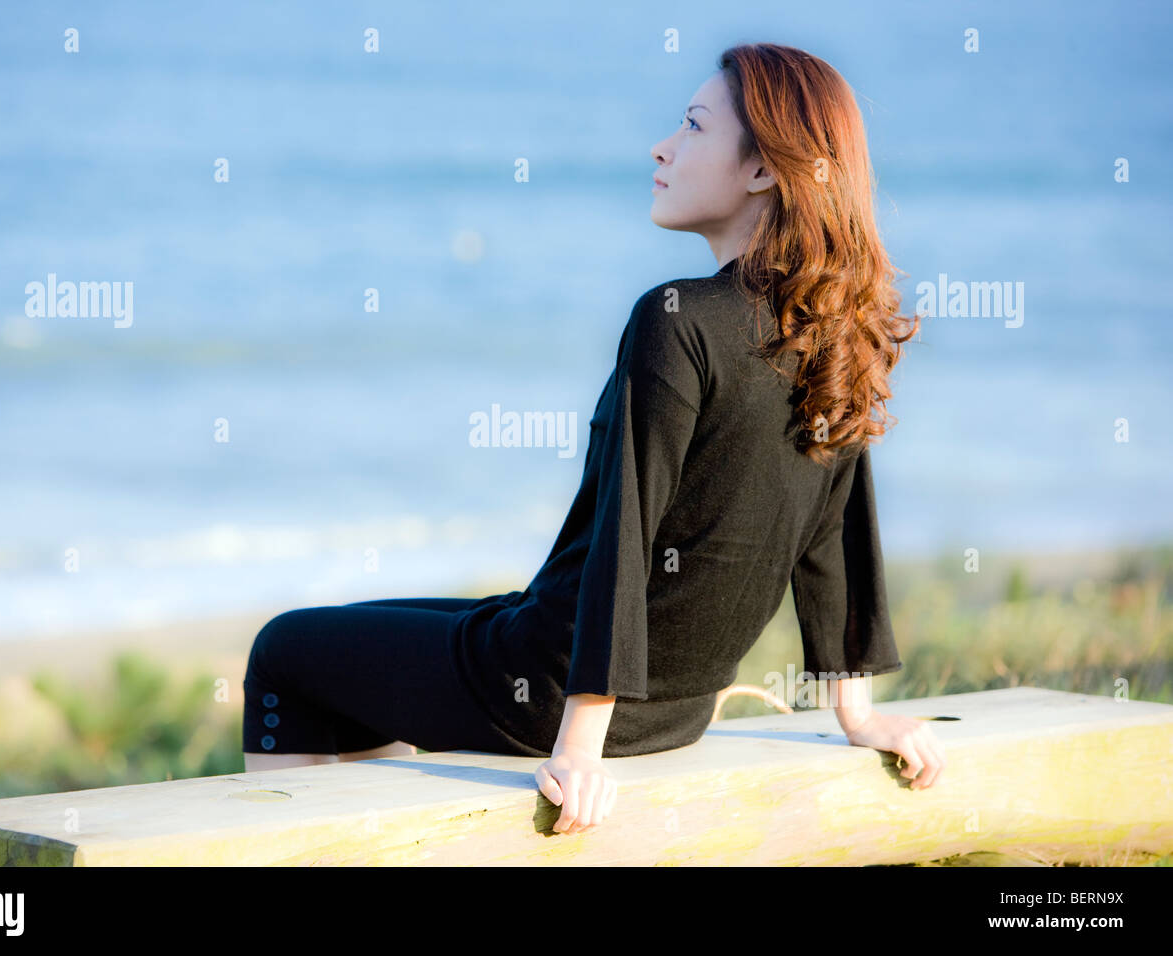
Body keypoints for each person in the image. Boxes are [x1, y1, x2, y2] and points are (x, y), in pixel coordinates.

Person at [241, 41, 946, 836]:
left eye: (691, 126)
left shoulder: (676, 319)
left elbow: (628, 534)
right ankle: (399, 841)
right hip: (676, 709)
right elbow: (834, 539)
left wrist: (579, 744)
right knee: (369, 631)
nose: (661, 146)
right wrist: (857, 713)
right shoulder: (831, 331)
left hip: (556, 689)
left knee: (284, 657)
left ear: (759, 171)